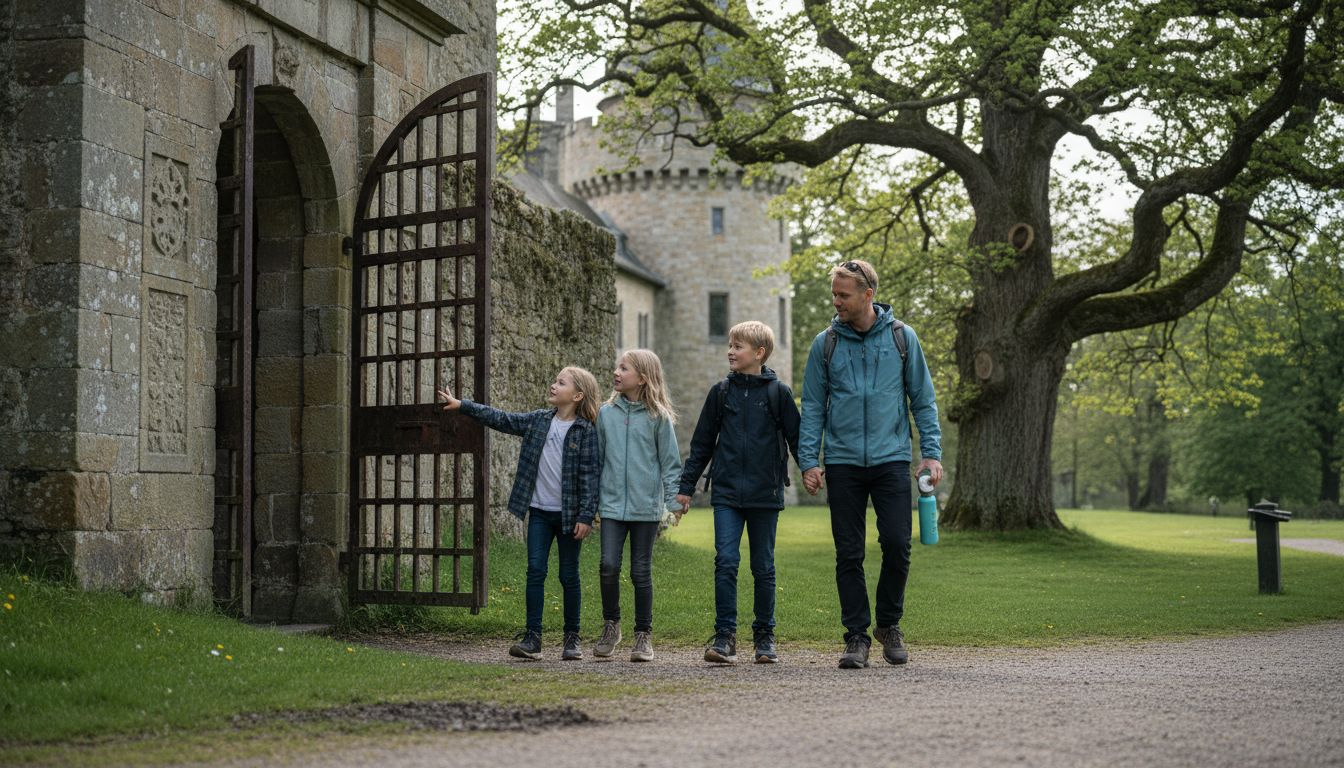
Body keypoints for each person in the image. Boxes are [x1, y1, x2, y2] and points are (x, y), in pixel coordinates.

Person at [798, 258, 944, 669]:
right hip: (842, 461)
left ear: (868, 295)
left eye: (843, 295)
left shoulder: (902, 338)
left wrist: (931, 452)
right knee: (848, 553)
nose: (836, 302)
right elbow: (813, 407)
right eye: (834, 294)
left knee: (897, 544)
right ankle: (856, 636)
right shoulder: (825, 344)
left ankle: (889, 625)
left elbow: (923, 400)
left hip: (891, 458)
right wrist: (809, 460)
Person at [437, 367, 602, 661]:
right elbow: (502, 419)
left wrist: (586, 516)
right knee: (535, 571)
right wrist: (463, 405)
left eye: (561, 383)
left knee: (569, 575)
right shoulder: (539, 421)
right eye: (554, 380)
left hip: (569, 517)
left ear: (577, 396)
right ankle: (532, 638)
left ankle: (572, 638)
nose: (553, 385)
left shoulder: (586, 431)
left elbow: (590, 476)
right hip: (539, 513)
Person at [677, 321, 800, 664]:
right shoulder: (720, 393)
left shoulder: (779, 394)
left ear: (759, 353)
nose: (730, 351)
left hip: (765, 493)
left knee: (763, 567)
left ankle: (765, 638)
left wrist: (811, 470)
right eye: (730, 345)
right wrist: (686, 489)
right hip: (727, 493)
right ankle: (724, 637)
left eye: (738, 346)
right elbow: (702, 445)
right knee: (726, 562)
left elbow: (797, 438)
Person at [594, 349, 682, 662]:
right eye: (617, 367)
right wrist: (592, 504)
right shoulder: (606, 414)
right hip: (612, 505)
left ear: (642, 378)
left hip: (646, 507)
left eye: (624, 368)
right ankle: (611, 626)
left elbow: (670, 464)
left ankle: (643, 635)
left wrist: (673, 502)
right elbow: (598, 460)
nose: (616, 372)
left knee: (640, 572)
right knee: (608, 566)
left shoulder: (659, 418)